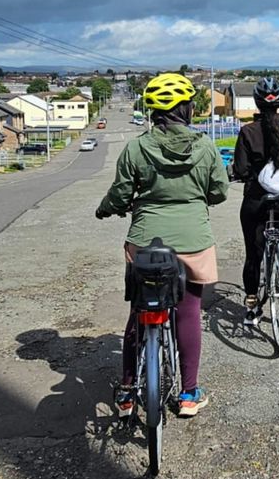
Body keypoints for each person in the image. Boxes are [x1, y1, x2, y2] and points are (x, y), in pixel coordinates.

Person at [96, 72, 228, 417]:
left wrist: (106, 208)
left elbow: (121, 193)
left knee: (139, 312)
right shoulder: (206, 147)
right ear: (186, 109)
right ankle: (188, 394)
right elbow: (219, 192)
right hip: (194, 241)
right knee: (188, 312)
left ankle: (126, 392)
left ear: (154, 111)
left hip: (146, 241)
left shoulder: (136, 147)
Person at [232, 76, 279, 326]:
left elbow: (240, 170)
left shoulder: (247, 131)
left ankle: (252, 305)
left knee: (254, 254)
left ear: (257, 104)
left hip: (256, 200)